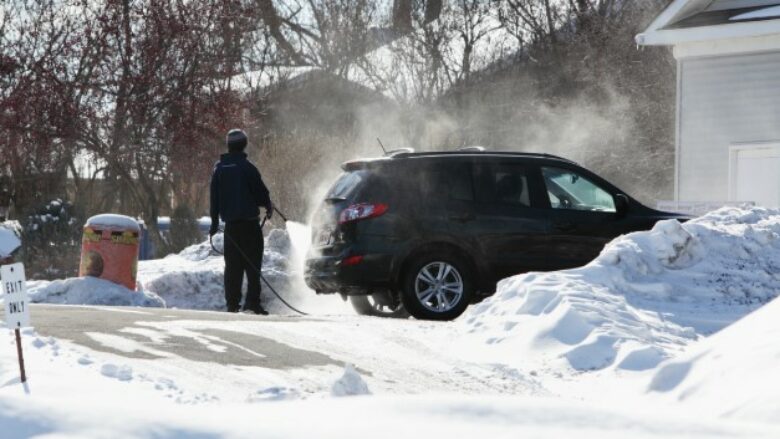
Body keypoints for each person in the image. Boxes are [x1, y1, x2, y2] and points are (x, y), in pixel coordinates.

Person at [209, 129, 273, 315]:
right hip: (250, 226)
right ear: (244, 144)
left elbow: (214, 199)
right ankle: (252, 302)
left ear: (228, 145)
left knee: (233, 268)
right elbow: (261, 193)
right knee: (253, 266)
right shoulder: (248, 168)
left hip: (231, 229)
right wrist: (268, 206)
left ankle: (232, 304)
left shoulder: (219, 169)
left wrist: (214, 224)